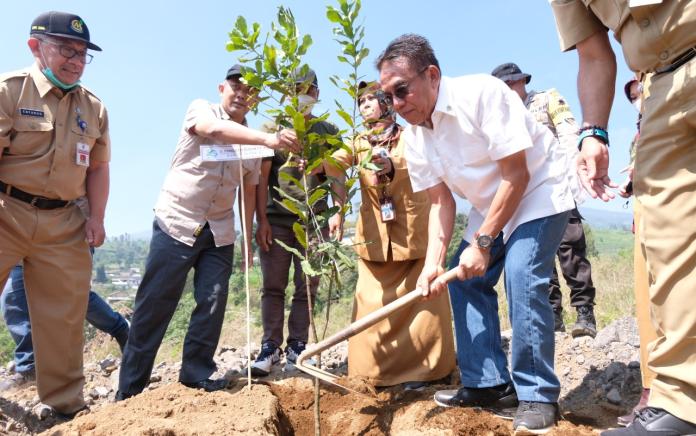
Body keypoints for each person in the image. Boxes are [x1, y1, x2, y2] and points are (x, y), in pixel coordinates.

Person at [376, 34, 575, 434]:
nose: (397, 105)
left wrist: (483, 243)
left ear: (431, 75)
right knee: (462, 279)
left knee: (522, 275)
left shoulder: (482, 94)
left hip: (538, 191)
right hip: (491, 204)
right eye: (388, 99)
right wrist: (432, 265)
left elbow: (516, 175)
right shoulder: (415, 137)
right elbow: (441, 202)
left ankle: (536, 394)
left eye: (402, 91)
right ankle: (488, 385)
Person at [550, 2, 696, 433]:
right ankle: (684, 404)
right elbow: (594, 52)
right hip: (662, 90)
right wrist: (593, 130)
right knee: (666, 240)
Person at [116, 65, 299, 400]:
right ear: (221, 88)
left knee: (213, 303)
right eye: (236, 86)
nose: (242, 94)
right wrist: (269, 139)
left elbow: (248, 189)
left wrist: (247, 238)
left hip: (219, 232)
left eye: (250, 90)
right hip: (177, 221)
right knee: (154, 306)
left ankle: (196, 373)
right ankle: (129, 390)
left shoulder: (253, 144)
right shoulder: (201, 108)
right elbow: (212, 129)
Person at [0, 11, 109, 418]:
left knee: (64, 315)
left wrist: (97, 217)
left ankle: (65, 406)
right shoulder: (10, 90)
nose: (76, 60)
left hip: (64, 220)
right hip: (6, 211)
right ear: (36, 47)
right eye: (66, 49)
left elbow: (98, 167)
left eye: (82, 53)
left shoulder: (94, 107)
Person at [325, 80, 455, 388]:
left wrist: (391, 162)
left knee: (423, 306)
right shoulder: (357, 143)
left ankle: (429, 373)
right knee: (370, 305)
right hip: (374, 240)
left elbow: (428, 165)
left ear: (387, 103)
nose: (365, 105)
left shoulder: (413, 136)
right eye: (361, 101)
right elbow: (332, 165)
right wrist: (339, 208)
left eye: (372, 99)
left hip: (414, 235)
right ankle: (372, 374)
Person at [491, 62, 598, 338]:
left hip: (557, 185)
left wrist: (569, 179)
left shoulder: (546, 100)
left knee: (571, 248)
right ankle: (552, 316)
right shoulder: (500, 117)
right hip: (525, 195)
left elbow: (568, 134)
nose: (508, 91)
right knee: (538, 256)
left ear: (521, 82)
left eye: (510, 84)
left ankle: (584, 311)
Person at [250, 67, 340, 377]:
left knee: (308, 286)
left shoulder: (327, 131)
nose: (302, 94)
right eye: (295, 89)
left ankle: (299, 345)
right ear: (287, 94)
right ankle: (270, 346)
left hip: (314, 221)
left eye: (307, 89)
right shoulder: (272, 129)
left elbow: (338, 176)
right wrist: (260, 220)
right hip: (276, 220)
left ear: (317, 94)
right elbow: (261, 180)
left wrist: (339, 212)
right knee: (273, 286)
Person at [0, 262, 129, 390]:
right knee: (12, 297)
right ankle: (29, 368)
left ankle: (121, 330)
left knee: (75, 294)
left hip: (58, 244)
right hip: (20, 250)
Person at [615, 78, 656, 428]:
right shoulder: (640, 130)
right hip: (648, 212)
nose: (635, 98)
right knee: (650, 308)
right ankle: (653, 393)